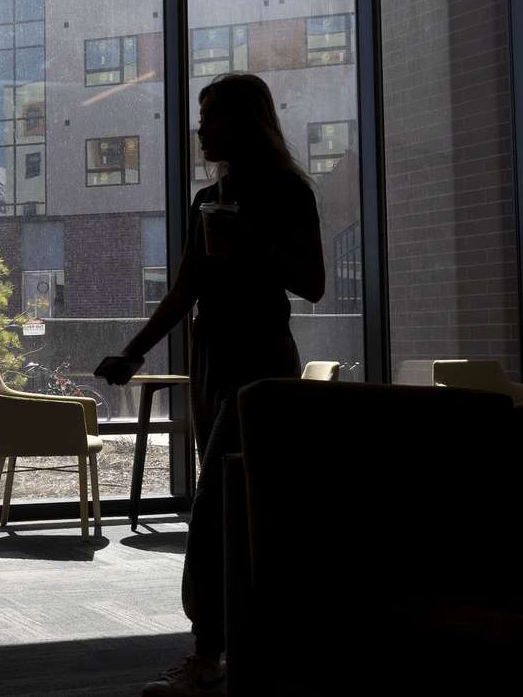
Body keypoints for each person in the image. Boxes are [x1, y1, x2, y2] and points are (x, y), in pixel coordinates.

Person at [95, 74, 325, 695]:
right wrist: (132, 353)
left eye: (214, 116)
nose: (202, 128)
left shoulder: (286, 192)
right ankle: (245, 646)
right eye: (202, 116)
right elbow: (185, 291)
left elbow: (313, 283)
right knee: (232, 505)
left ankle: (207, 656)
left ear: (247, 122)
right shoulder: (207, 198)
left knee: (217, 509)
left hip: (261, 362)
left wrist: (254, 238)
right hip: (213, 361)